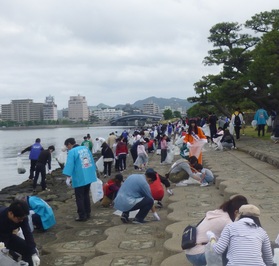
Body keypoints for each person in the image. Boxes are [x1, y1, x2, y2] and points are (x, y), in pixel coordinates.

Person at [185, 195, 248, 266]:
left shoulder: (218, 212)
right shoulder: (227, 221)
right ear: (236, 212)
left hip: (190, 253)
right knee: (231, 249)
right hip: (199, 256)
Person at [207, 204, 273, 266]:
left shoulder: (230, 227)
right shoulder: (262, 232)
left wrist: (212, 237)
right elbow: (269, 260)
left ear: (240, 214)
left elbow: (218, 250)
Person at [63, 137, 97, 221]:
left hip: (79, 177)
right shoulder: (85, 149)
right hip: (88, 175)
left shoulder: (72, 152)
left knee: (79, 197)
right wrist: (94, 171)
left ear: (69, 144)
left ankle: (82, 215)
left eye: (67, 147)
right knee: (86, 195)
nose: (68, 148)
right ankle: (88, 213)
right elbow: (91, 160)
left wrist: (68, 176)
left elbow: (69, 164)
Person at [0, 199, 40, 266]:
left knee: (28, 250)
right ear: (11, 213)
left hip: (8, 236)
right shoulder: (1, 215)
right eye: (19, 219)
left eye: (22, 218)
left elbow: (27, 233)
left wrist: (33, 253)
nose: (21, 221)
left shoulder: (22, 217)